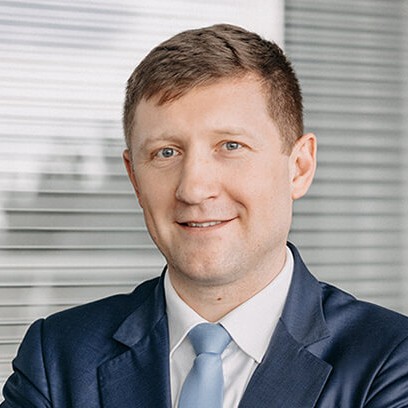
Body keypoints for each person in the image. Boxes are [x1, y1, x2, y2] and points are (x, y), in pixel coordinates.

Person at [2, 23, 408, 408]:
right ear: (135, 178)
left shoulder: (390, 361)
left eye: (230, 146)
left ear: (299, 167)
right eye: (165, 152)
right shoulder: (58, 356)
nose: (193, 189)